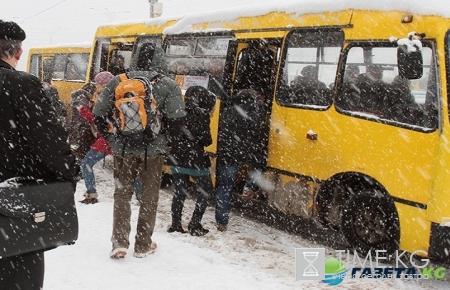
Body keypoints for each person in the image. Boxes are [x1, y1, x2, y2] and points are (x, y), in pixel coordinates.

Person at [0, 20, 79, 290]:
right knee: (18, 279)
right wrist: (69, 174)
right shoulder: (20, 85)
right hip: (11, 209)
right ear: (18, 52)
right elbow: (49, 142)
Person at [93, 68, 186, 258]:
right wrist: (166, 142)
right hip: (153, 151)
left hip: (123, 150)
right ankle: (143, 244)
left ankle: (119, 243)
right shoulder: (168, 84)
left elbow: (98, 114)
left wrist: (112, 139)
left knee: (122, 195)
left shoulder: (118, 81)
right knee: (149, 196)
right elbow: (177, 120)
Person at [167, 86, 216, 236]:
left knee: (179, 191)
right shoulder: (202, 114)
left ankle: (176, 224)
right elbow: (207, 140)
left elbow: (170, 134)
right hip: (195, 160)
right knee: (206, 190)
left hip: (175, 159)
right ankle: (195, 224)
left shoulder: (176, 111)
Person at [215, 89, 267, 232]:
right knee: (260, 162)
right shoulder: (256, 114)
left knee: (225, 187)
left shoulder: (227, 112)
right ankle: (250, 186)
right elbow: (258, 132)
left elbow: (223, 132)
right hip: (246, 153)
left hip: (228, 154)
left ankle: (221, 221)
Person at [76, 84, 113, 205]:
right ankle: (141, 196)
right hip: (116, 140)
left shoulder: (106, 100)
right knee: (129, 169)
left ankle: (91, 193)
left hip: (107, 140)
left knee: (86, 163)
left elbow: (96, 119)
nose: (96, 86)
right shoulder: (112, 98)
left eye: (99, 83)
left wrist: (83, 109)